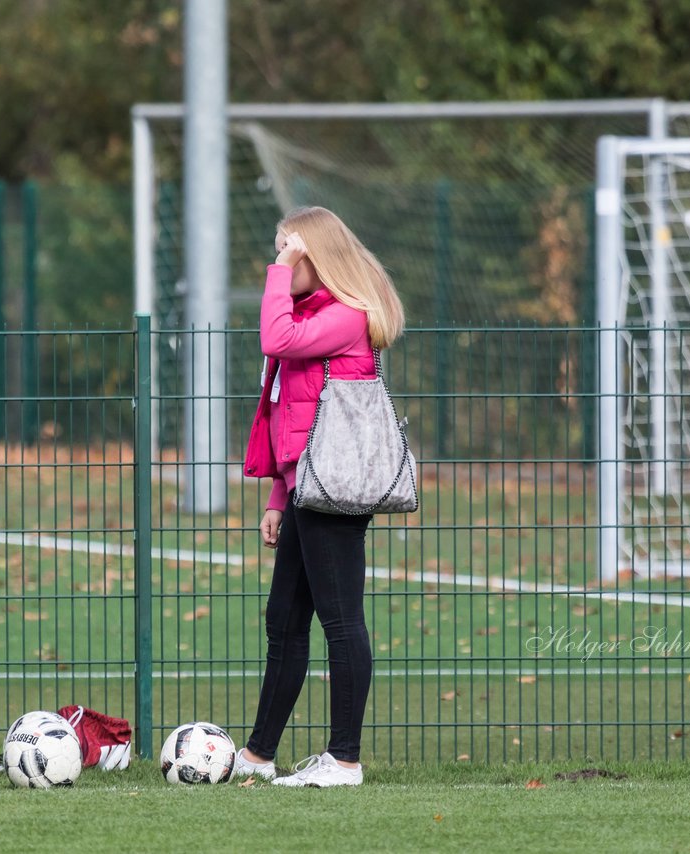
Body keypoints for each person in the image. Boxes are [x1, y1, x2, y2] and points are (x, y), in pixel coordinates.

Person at [236, 206, 405, 787]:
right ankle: (258, 755)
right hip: (305, 487)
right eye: (278, 248)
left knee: (340, 619)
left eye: (290, 250)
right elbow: (291, 419)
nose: (280, 258)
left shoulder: (347, 316)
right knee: (284, 619)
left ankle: (346, 759)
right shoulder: (313, 317)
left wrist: (276, 275)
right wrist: (278, 499)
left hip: (334, 491)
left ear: (319, 257)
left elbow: (274, 336)